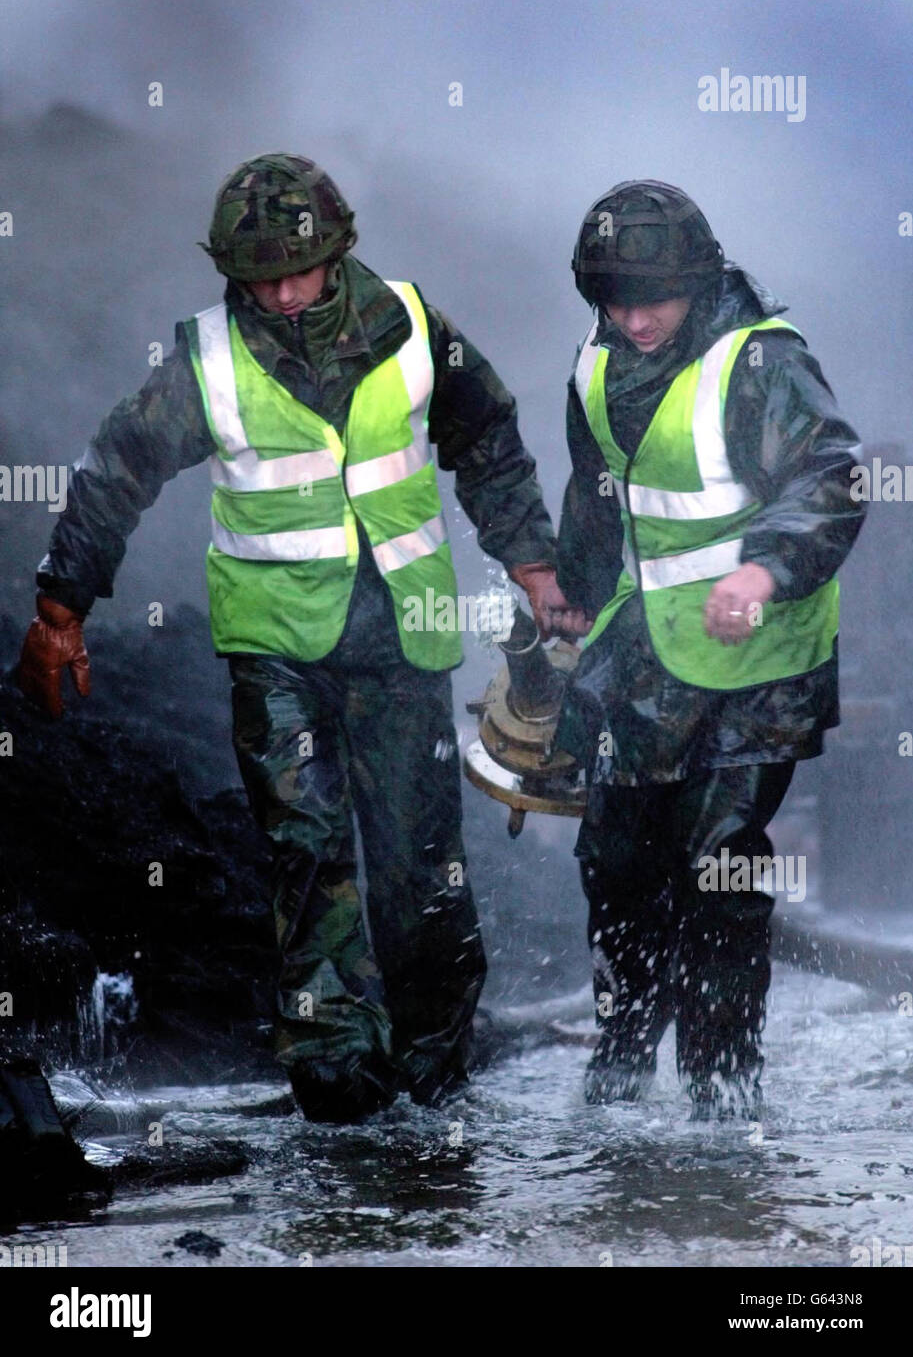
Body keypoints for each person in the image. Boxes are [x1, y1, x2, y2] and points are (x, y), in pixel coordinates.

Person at [17, 152, 578, 1123]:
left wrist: (531, 561)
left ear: (337, 251)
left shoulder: (409, 326)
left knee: (419, 859)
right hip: (276, 653)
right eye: (256, 276)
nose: (278, 294)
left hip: (403, 639)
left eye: (296, 270)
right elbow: (119, 467)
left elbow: (483, 430)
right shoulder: (207, 358)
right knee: (309, 853)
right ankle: (337, 1083)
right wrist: (62, 607)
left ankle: (435, 1073)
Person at [555, 180, 866, 1120]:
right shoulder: (596, 362)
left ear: (698, 281)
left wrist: (764, 572)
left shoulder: (762, 361)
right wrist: (560, 612)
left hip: (755, 666)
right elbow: (595, 500)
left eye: (653, 299)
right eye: (615, 301)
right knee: (615, 862)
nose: (635, 319)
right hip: (643, 658)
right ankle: (617, 1067)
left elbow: (831, 477)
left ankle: (721, 1095)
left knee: (719, 865)